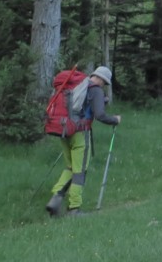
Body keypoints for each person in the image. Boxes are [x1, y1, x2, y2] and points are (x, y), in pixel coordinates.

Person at [46, 65, 121, 217]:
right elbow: (100, 115)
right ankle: (74, 208)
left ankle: (56, 197)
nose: (103, 85)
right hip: (80, 133)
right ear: (100, 79)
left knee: (70, 167)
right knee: (80, 171)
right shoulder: (95, 89)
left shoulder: (78, 85)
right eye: (104, 83)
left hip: (64, 129)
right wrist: (115, 120)